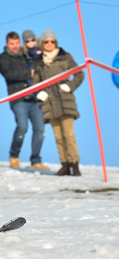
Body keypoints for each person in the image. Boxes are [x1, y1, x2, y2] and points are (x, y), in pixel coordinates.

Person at [34, 29, 84, 176]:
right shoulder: (39, 63)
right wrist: (39, 93)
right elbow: (35, 83)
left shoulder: (65, 57)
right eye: (46, 41)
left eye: (52, 41)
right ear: (42, 44)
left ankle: (74, 164)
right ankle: (65, 164)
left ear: (56, 43)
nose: (49, 44)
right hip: (50, 104)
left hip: (65, 101)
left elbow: (79, 74)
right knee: (58, 137)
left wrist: (70, 86)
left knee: (68, 134)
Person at [0, 32, 47, 169]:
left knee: (40, 129)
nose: (14, 46)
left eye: (17, 43)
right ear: (7, 44)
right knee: (22, 127)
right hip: (18, 98)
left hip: (35, 97)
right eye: (12, 44)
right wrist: (28, 74)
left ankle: (36, 160)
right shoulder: (3, 58)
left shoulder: (27, 55)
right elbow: (8, 74)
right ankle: (14, 155)